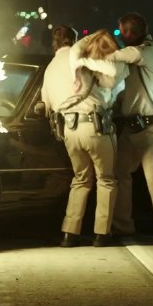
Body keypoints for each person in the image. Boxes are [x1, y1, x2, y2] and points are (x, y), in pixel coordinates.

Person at [101, 12, 153, 250]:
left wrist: (100, 50)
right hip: (133, 126)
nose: (121, 37)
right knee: (119, 174)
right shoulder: (141, 52)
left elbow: (125, 55)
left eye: (122, 32)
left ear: (131, 32)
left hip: (150, 127)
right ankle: (123, 227)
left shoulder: (150, 49)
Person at [43, 27, 123, 247]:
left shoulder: (49, 68)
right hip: (94, 126)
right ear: (75, 40)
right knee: (106, 179)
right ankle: (102, 234)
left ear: (54, 44)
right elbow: (110, 88)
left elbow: (47, 104)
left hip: (70, 129)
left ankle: (70, 233)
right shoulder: (83, 58)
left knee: (80, 180)